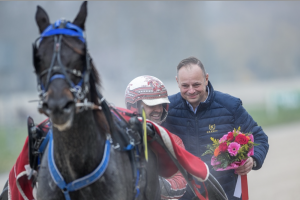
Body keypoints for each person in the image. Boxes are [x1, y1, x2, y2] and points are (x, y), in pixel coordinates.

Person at [162, 56, 269, 200]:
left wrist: (253, 159)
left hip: (224, 192)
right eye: (185, 86)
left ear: (206, 79)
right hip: (184, 195)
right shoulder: (166, 109)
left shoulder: (230, 106)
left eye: (196, 84)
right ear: (177, 82)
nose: (191, 90)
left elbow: (260, 137)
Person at [125, 75, 187, 200]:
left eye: (161, 104)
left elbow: (181, 185)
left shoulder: (173, 141)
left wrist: (147, 179)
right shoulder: (119, 138)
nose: (158, 110)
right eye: (151, 105)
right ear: (134, 105)